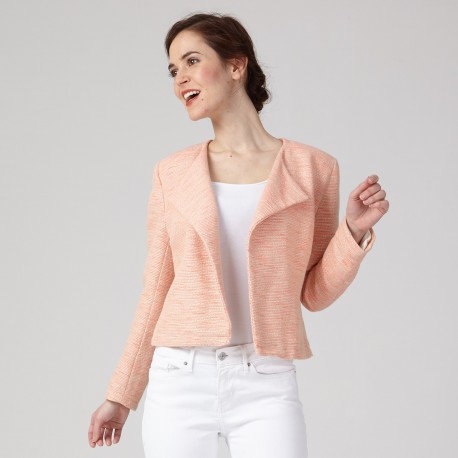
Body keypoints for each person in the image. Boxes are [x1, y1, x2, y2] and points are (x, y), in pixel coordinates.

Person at [88, 12, 389, 457]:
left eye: (192, 61)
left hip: (265, 379)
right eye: (173, 70)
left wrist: (352, 232)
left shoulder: (314, 169)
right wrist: (121, 396)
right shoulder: (172, 173)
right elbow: (155, 291)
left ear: (236, 65)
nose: (180, 79)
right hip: (178, 379)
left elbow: (314, 293)